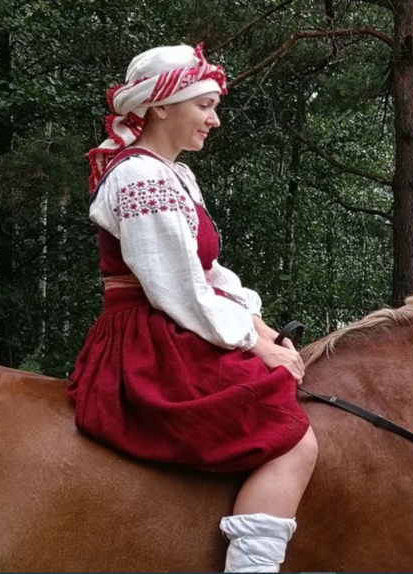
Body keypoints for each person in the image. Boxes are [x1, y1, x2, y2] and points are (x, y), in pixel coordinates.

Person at [68, 44, 316, 573]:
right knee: (292, 437)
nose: (215, 118)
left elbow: (208, 273)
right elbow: (175, 288)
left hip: (176, 321)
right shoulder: (140, 178)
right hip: (152, 340)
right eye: (204, 104)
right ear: (161, 106)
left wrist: (261, 327)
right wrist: (255, 347)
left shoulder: (174, 175)